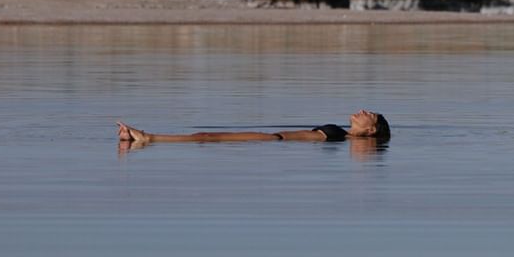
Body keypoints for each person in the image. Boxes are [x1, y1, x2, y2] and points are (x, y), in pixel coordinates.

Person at [117, 109, 390, 145]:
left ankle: (148, 138)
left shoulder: (343, 138)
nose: (364, 111)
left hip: (272, 139)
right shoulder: (341, 135)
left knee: (206, 137)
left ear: (371, 131)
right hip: (273, 138)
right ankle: (143, 137)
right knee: (205, 136)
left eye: (371, 116)